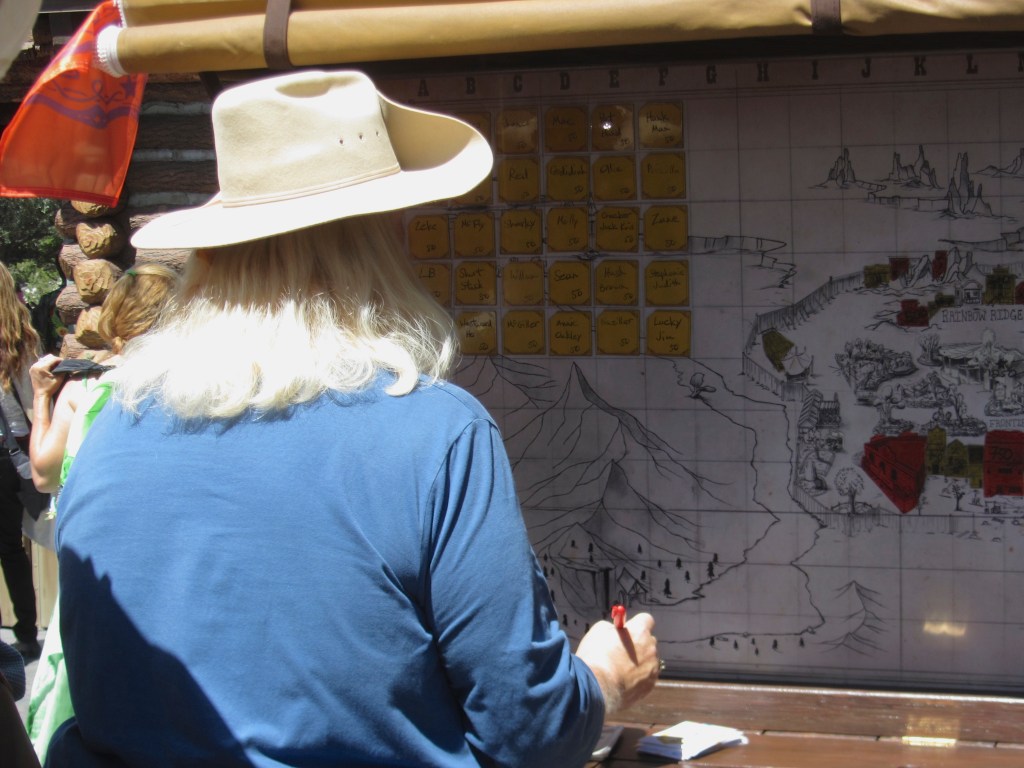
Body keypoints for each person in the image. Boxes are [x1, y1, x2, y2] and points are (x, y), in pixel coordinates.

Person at [45, 70, 659, 768]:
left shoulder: (112, 427)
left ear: (212, 253)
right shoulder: (436, 433)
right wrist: (602, 679)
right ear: (379, 241)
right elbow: (528, 730)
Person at [25, 264, 178, 763]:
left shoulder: (84, 389)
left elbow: (44, 475)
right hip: (163, 551)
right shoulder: (189, 389)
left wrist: (41, 399)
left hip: (94, 555)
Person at [0, 261, 42, 662]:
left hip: (7, 451)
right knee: (12, 548)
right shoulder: (21, 338)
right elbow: (32, 402)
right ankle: (26, 635)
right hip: (16, 449)